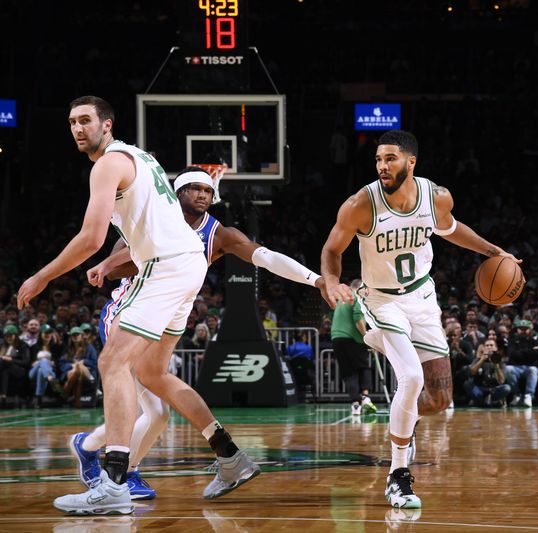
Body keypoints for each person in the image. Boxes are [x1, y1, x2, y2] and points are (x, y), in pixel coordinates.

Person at [14, 96, 254, 515]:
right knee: (152, 373)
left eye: (86, 120)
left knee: (112, 363)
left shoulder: (108, 163)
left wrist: (42, 275)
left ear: (107, 124)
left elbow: (90, 238)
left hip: (164, 266)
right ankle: (230, 457)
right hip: (187, 263)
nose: (78, 128)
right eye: (72, 122)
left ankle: (114, 483)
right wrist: (110, 262)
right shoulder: (139, 155)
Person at [71, 165, 331, 501]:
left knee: (156, 399)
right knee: (154, 412)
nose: (203, 196)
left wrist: (315, 280)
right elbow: (114, 268)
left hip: (171, 312)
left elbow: (266, 257)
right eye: (195, 189)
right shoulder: (153, 219)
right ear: (177, 194)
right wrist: (115, 261)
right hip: (132, 310)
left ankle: (115, 459)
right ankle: (118, 468)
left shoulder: (218, 233)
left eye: (208, 191)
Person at [321, 130, 519, 509]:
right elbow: (332, 249)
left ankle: (403, 422)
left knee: (438, 399)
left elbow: (452, 229)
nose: (382, 166)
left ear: (411, 162)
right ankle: (398, 477)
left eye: (390, 159)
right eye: (379, 159)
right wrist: (331, 281)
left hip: (422, 297)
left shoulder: (437, 197)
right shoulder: (360, 204)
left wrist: (493, 251)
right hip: (381, 299)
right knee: (411, 379)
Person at [331, 278, 376, 416]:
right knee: (364, 367)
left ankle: (355, 404)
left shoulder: (342, 300)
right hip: (352, 339)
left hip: (336, 338)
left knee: (349, 372)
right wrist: (368, 338)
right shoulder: (357, 297)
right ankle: (366, 398)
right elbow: (358, 320)